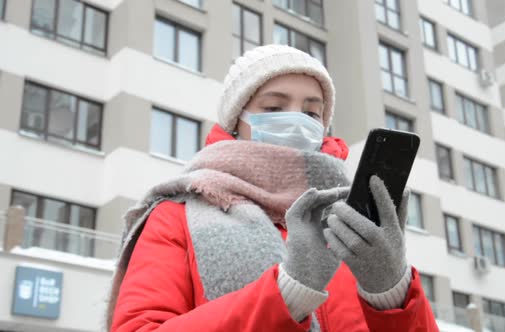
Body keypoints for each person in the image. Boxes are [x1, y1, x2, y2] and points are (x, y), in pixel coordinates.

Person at [106, 44, 439, 331]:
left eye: (311, 111)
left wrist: (392, 292)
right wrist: (287, 294)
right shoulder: (177, 215)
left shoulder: (349, 221)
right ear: (237, 119)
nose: (296, 120)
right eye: (273, 108)